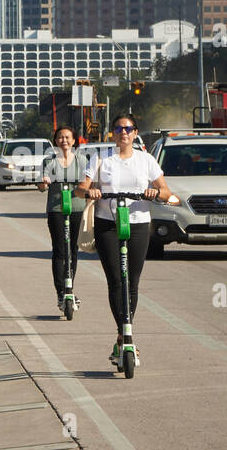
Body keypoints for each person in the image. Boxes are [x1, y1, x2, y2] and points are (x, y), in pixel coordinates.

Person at [76, 113, 177, 369]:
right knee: (115, 280)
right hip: (107, 223)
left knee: (132, 281)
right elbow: (80, 188)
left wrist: (155, 192)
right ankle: (124, 333)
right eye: (119, 128)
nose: (124, 133)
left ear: (135, 133)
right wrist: (92, 191)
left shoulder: (146, 160)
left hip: (139, 222)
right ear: (113, 133)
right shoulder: (101, 157)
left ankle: (124, 334)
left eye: (129, 128)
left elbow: (166, 192)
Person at [38, 125, 86, 315]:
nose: (64, 141)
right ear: (55, 141)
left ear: (74, 141)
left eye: (67, 137)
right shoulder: (49, 161)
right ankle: (61, 292)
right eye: (60, 137)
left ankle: (70, 287)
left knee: (72, 249)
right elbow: (42, 185)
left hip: (77, 208)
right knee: (59, 250)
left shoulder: (82, 160)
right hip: (56, 209)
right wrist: (44, 182)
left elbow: (88, 182)